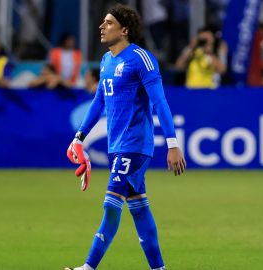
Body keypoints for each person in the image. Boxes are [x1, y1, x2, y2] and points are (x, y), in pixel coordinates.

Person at [65, 5, 186, 270]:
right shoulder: (107, 61)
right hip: (116, 146)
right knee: (139, 207)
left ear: (125, 30)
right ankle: (159, 268)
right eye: (103, 22)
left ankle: (88, 267)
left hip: (135, 145)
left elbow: (160, 103)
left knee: (110, 205)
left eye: (108, 23)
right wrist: (79, 137)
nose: (101, 26)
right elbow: (98, 102)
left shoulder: (141, 59)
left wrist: (172, 144)